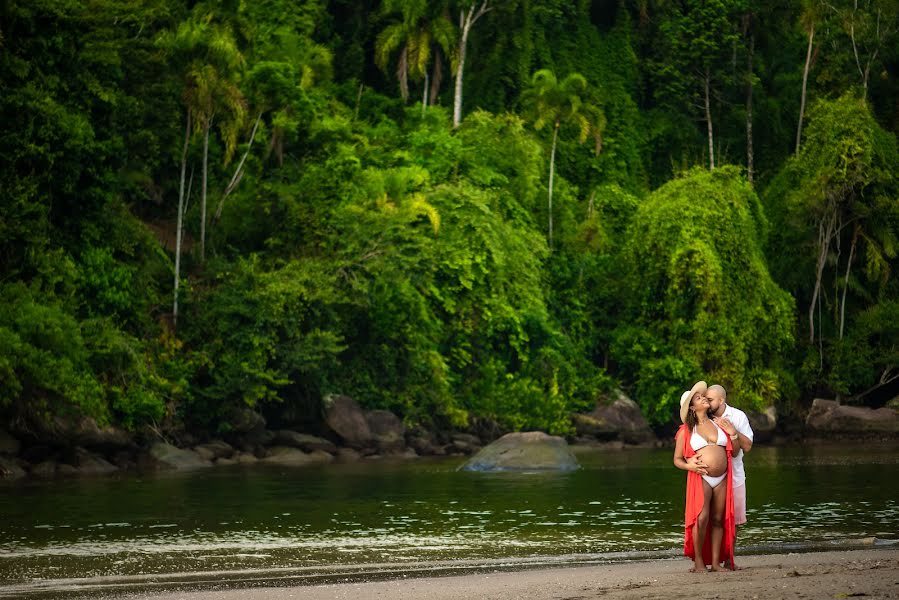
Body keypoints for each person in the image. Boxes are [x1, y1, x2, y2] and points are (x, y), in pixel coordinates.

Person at [673, 380, 736, 572]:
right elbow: (677, 459)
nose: (704, 398)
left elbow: (733, 451)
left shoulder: (719, 423)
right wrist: (689, 465)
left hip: (722, 477)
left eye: (703, 396)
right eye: (699, 398)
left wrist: (733, 434)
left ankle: (716, 563)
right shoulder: (686, 431)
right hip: (702, 476)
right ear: (692, 407)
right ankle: (699, 562)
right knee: (702, 519)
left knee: (718, 519)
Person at [706, 383, 754, 569]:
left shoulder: (737, 416)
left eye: (710, 400)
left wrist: (732, 431)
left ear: (721, 400)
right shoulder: (704, 417)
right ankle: (712, 560)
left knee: (732, 521)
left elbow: (748, 446)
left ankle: (729, 560)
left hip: (735, 476)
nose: (707, 403)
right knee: (712, 518)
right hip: (711, 477)